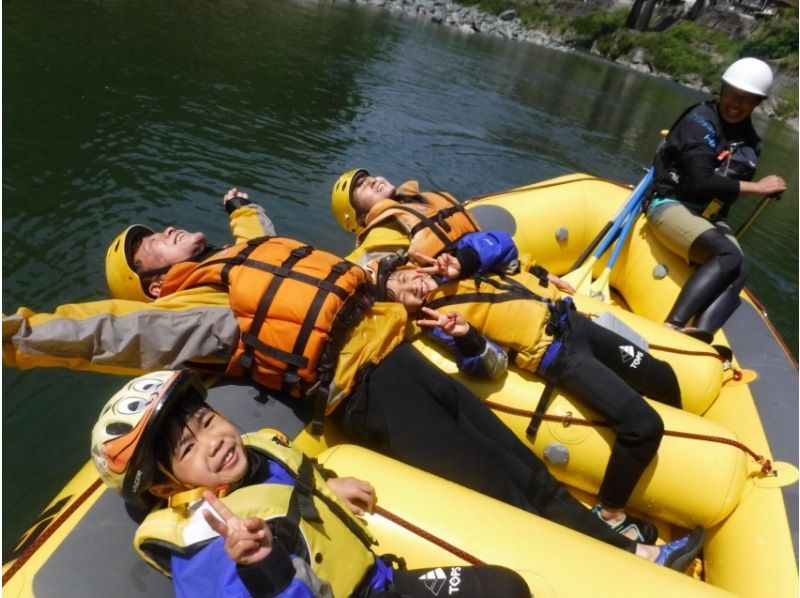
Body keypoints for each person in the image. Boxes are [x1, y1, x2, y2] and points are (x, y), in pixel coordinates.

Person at [4, 189, 704, 568]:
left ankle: (625, 550)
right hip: (368, 396)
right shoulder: (192, 311)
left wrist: (239, 205)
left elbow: (273, 247)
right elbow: (105, 332)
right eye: (146, 243)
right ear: (151, 281)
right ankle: (630, 572)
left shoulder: (235, 258)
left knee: (525, 469)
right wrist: (17, 337)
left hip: (401, 358)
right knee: (503, 491)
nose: (160, 231)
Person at [91, 369, 532, 597]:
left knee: (506, 588)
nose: (213, 442)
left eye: (208, 422)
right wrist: (261, 565)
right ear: (167, 489)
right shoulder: (204, 548)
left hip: (378, 581)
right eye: (187, 450)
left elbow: (287, 481)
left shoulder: (254, 453)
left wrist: (323, 490)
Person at [370, 230, 684, 544]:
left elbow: (505, 246)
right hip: (558, 356)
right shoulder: (438, 324)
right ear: (406, 310)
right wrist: (467, 336)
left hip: (574, 323)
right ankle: (610, 513)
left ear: (411, 267)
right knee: (643, 426)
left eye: (404, 278)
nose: (413, 286)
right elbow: (491, 367)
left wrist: (463, 261)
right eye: (403, 294)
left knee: (665, 379)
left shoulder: (453, 264)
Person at [645, 57, 787, 343]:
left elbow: (728, 182)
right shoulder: (699, 121)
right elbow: (700, 181)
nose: (737, 103)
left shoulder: (751, 141)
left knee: (741, 268)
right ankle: (672, 326)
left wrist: (769, 188)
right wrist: (757, 188)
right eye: (733, 94)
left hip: (707, 216)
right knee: (727, 254)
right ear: (722, 89)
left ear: (758, 103)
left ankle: (700, 334)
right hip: (669, 204)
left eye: (747, 99)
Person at [330, 168, 481, 266]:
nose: (373, 180)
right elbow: (352, 269)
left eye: (370, 176)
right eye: (361, 185)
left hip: (482, 257)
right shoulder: (383, 233)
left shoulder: (418, 202)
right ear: (361, 218)